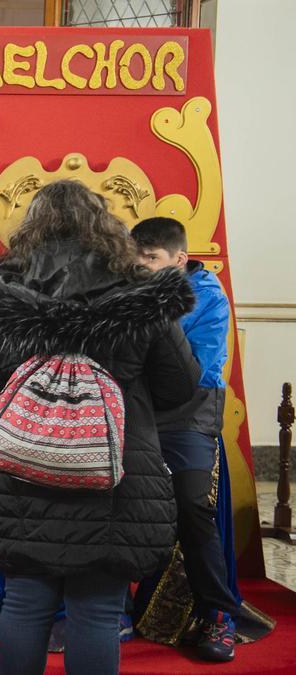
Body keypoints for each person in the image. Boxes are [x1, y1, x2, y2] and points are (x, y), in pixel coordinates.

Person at [0, 180, 200, 675]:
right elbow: (180, 385)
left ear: (31, 229)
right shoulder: (141, 292)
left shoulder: (6, 293)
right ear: (105, 226)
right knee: (97, 610)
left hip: (26, 472)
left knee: (24, 603)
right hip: (117, 475)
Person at [132, 216, 239, 661]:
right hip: (138, 412)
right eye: (136, 257)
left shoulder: (209, 298)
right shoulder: (129, 289)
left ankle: (219, 615)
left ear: (180, 259)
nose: (142, 266)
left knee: (193, 507)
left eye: (151, 258)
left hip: (188, 417)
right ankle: (107, 607)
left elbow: (199, 373)